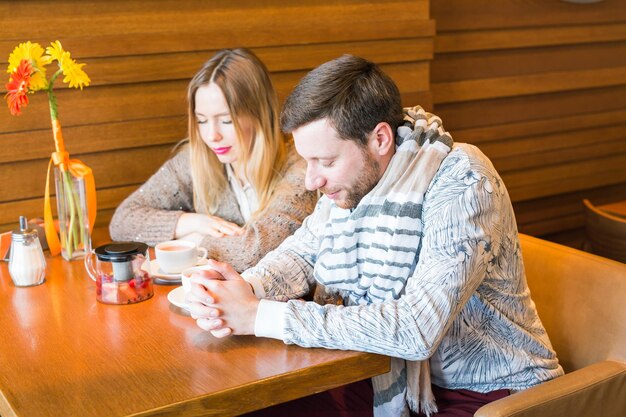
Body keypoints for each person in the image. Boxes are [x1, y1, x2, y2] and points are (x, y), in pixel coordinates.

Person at [187, 55, 564, 417]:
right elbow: (303, 254)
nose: (311, 180)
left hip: (492, 393)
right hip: (381, 376)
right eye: (308, 161)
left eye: (327, 161)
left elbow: (417, 329)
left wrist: (260, 317)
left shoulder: (462, 179)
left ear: (380, 139)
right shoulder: (354, 185)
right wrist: (242, 290)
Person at [109, 49, 317, 272]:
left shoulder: (302, 168)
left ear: (259, 113)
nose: (211, 135)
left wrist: (194, 241)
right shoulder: (198, 159)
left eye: (226, 121)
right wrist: (192, 222)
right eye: (202, 120)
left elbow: (254, 252)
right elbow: (122, 221)